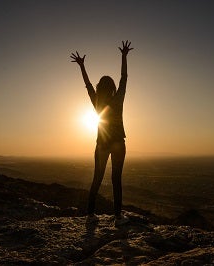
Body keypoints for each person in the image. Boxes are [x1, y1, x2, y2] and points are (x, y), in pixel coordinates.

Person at [71, 41, 133, 226]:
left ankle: (90, 215)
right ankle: (118, 218)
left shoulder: (96, 101)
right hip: (118, 143)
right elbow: (124, 78)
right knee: (116, 179)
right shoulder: (118, 99)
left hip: (102, 144)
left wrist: (82, 66)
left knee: (97, 178)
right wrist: (123, 56)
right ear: (112, 87)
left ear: (100, 88)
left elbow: (88, 84)